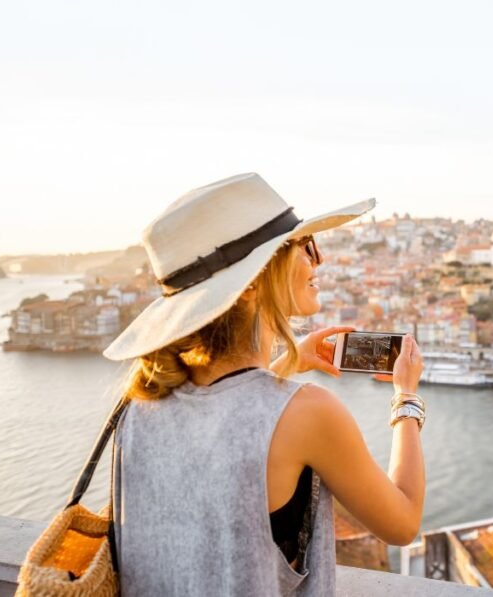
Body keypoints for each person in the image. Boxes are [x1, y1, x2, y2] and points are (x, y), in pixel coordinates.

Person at [102, 173, 426, 596]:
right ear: (255, 280)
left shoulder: (139, 403)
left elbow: (228, 424)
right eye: (305, 246)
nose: (319, 260)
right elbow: (401, 523)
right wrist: (406, 399)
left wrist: (286, 364)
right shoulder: (308, 413)